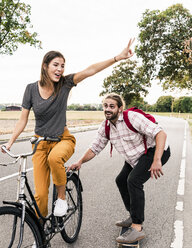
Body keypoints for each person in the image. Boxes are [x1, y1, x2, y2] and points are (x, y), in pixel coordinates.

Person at [2, 39, 134, 219]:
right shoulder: (31, 89)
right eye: (55, 65)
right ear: (45, 66)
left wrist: (117, 58)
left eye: (63, 66)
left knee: (55, 158)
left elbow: (90, 70)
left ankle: (62, 198)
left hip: (62, 139)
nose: (60, 69)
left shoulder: (64, 84)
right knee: (40, 196)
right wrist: (9, 143)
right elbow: (22, 119)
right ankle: (39, 235)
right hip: (40, 143)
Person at [68, 93, 171, 243]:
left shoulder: (132, 117)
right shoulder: (106, 126)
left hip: (155, 151)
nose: (108, 109)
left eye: (112, 106)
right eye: (105, 106)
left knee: (134, 181)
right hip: (136, 157)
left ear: (120, 108)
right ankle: (133, 214)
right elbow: (95, 148)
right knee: (121, 180)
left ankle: (137, 228)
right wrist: (80, 162)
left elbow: (160, 133)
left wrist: (157, 160)